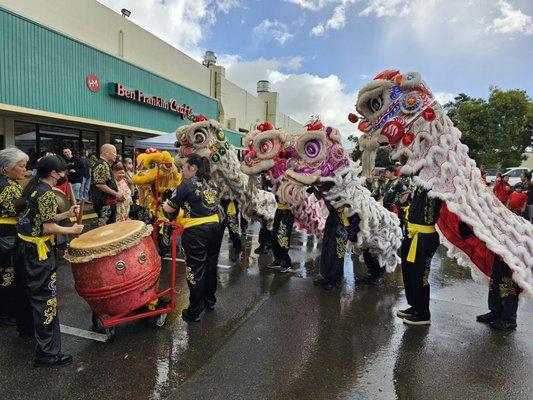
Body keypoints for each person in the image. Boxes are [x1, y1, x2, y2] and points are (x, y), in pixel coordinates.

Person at [14, 155, 83, 367]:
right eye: (62, 172)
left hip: (24, 247)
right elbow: (48, 228)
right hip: (37, 252)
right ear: (54, 174)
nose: (64, 175)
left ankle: (27, 332)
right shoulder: (46, 194)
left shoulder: (34, 189)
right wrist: (72, 229)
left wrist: (67, 214)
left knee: (27, 294)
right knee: (46, 299)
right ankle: (47, 354)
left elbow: (44, 219)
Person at [163, 154, 221, 322]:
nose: (182, 170)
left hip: (197, 231)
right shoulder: (213, 183)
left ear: (193, 168)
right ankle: (210, 301)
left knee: (195, 269)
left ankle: (194, 310)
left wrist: (164, 202)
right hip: (215, 228)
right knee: (210, 266)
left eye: (183, 167)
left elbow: (168, 208)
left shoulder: (187, 184)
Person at [396, 185, 441, 325]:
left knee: (420, 276)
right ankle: (415, 306)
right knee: (409, 273)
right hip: (412, 233)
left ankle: (423, 314)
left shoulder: (438, 183)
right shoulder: (420, 183)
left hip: (424, 237)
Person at [0, 148, 28, 326]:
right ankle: (5, 313)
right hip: (6, 236)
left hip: (6, 234)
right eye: (21, 166)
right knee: (7, 274)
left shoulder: (10, 183)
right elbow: (21, 212)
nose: (24, 170)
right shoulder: (7, 187)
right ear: (6, 169)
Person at [90, 144, 123, 226]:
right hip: (104, 203)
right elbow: (100, 184)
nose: (116, 155)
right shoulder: (101, 165)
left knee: (109, 227)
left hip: (108, 202)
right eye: (114, 153)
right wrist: (116, 194)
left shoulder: (105, 165)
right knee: (105, 228)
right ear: (106, 153)